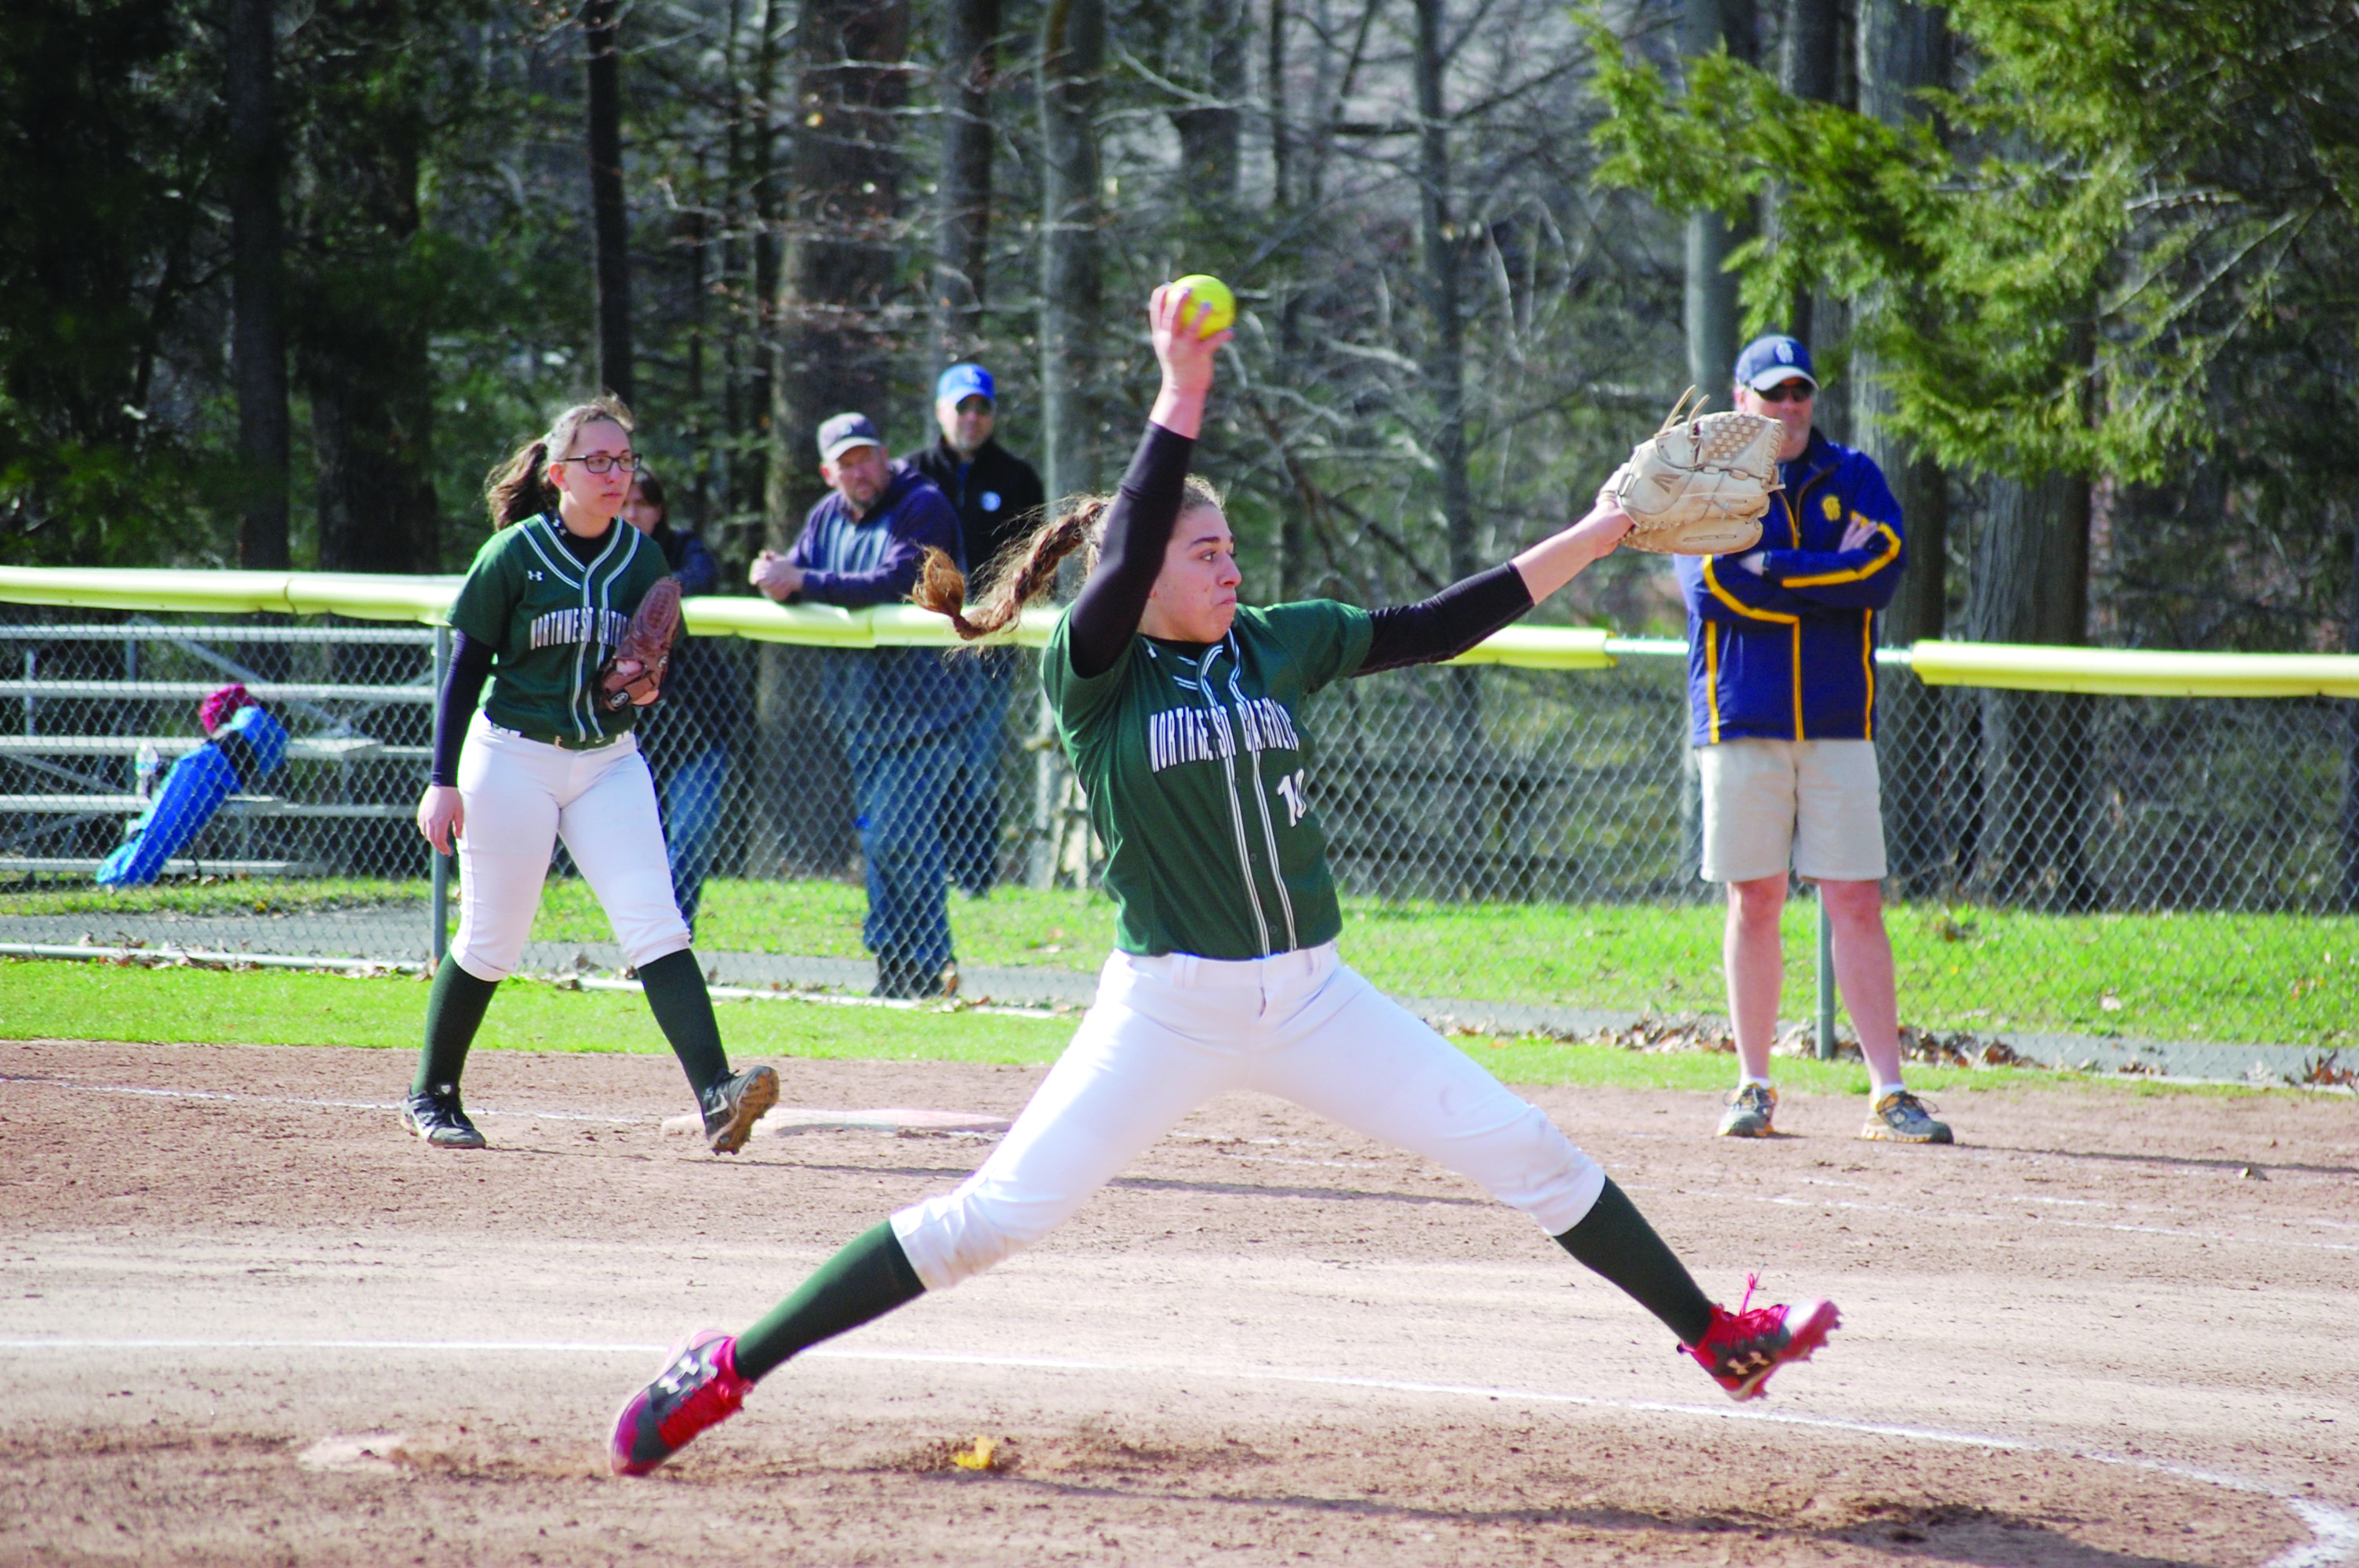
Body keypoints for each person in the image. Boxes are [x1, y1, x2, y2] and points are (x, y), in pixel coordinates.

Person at [607, 286, 1841, 1476]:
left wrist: (1612, 524)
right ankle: (728, 1364)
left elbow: (1443, 622)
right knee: (988, 1221)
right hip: (1170, 1005)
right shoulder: (1095, 681)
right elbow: (1132, 535)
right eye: (1204, 553)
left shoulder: (1278, 640)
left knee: (1536, 1155)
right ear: (1137, 582)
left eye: (1231, 547)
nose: (1229, 567)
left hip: (1314, 998)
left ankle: (1716, 1340)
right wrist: (1178, 394)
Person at [406, 395, 778, 1153]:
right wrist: (440, 778)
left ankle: (716, 1094)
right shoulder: (512, 556)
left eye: (625, 460)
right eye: (598, 461)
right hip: (512, 757)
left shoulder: (641, 558)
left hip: (609, 761)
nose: (616, 474)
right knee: (491, 939)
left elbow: (647, 675)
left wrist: (640, 682)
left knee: (656, 924)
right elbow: (465, 667)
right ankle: (432, 1093)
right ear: (556, 472)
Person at [1676, 334, 1950, 1144]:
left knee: (1854, 901)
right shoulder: (1709, 484)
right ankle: (1753, 1085)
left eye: (1799, 392)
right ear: (1739, 399)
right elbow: (1711, 587)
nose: (1788, 407)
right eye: (1771, 393)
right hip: (1740, 719)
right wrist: (1822, 573)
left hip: (1835, 720)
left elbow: (1881, 571)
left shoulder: (1855, 473)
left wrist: (1772, 565)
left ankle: (1887, 1093)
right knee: (1753, 898)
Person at [751, 413, 982, 998]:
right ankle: (904, 969)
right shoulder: (828, 515)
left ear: (885, 454)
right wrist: (774, 576)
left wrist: (801, 580)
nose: (858, 471)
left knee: (895, 836)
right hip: (863, 713)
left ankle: (926, 964)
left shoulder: (921, 504)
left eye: (866, 457)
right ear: (829, 473)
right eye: (845, 463)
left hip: (930, 709)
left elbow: (896, 579)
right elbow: (797, 570)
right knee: (886, 839)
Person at [903, 364, 1046, 897]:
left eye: (981, 407)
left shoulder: (1017, 478)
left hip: (989, 644)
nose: (971, 417)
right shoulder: (911, 474)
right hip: (920, 647)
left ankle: (976, 879)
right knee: (928, 758)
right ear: (941, 411)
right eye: (961, 406)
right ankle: (929, 871)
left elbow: (1035, 557)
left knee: (979, 759)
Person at [620, 469, 751, 939]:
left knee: (691, 838)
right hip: (631, 734)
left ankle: (672, 937)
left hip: (701, 729)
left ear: (660, 511)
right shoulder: (600, 556)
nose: (633, 513)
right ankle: (646, 939)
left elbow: (703, 576)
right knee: (637, 846)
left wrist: (656, 595)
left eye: (644, 504)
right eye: (625, 503)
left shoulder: (682, 547)